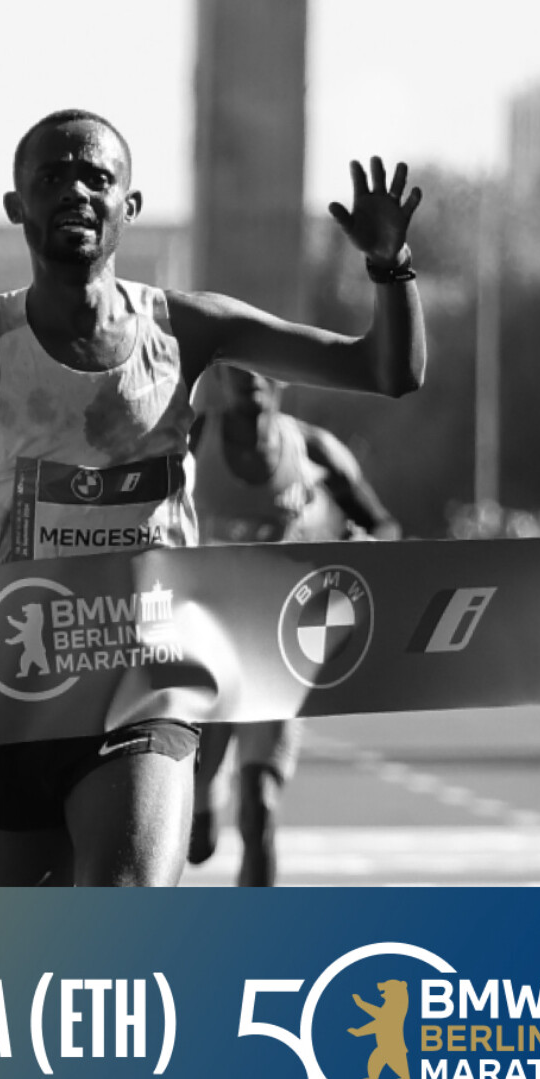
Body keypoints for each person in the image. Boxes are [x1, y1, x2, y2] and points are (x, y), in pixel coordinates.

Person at [0, 108, 425, 887]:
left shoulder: (187, 330)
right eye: (52, 177)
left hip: (141, 684)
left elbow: (385, 370)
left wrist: (392, 266)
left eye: (96, 178)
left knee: (120, 918)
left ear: (128, 206)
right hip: (7, 694)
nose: (75, 190)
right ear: (18, 206)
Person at [186, 363, 401, 885]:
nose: (251, 377)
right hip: (202, 652)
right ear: (219, 377)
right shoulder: (190, 438)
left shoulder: (313, 448)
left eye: (264, 366)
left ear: (282, 377)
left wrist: (361, 551)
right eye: (238, 367)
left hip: (276, 651)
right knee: (194, 843)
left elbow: (384, 527)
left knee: (259, 809)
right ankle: (205, 795)